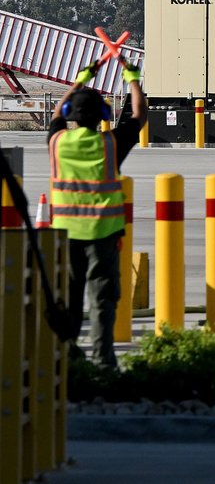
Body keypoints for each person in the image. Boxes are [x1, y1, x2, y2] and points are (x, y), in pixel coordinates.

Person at [48, 56, 146, 368]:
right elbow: (139, 115)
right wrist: (132, 77)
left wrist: (82, 78)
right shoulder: (110, 144)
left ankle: (68, 358)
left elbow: (55, 114)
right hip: (103, 235)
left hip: (64, 234)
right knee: (103, 299)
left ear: (69, 115)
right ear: (103, 115)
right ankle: (104, 362)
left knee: (70, 297)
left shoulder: (58, 142)